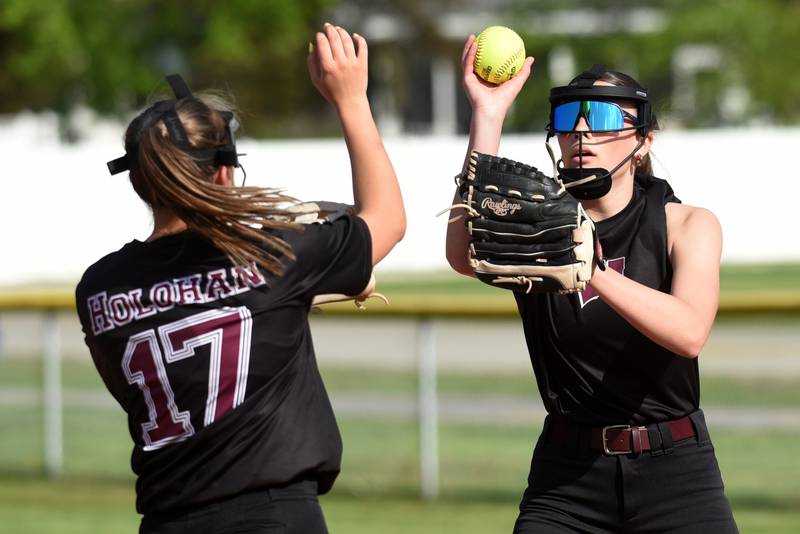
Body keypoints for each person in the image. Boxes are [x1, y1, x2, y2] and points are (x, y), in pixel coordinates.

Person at [75, 24, 405, 534]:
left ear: (141, 182)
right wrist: (352, 100)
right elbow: (387, 218)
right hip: (272, 516)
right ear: (223, 171)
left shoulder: (97, 289)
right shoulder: (272, 254)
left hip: (166, 520)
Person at [446, 34, 738, 533]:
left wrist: (592, 270)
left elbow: (690, 332)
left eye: (601, 118)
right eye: (567, 118)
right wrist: (488, 114)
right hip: (567, 478)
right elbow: (462, 254)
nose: (581, 130)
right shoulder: (538, 223)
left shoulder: (686, 224)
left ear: (643, 141)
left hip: (676, 471)